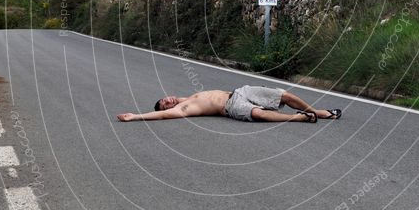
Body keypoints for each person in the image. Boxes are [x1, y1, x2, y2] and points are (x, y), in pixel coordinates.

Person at [117, 85, 342, 123]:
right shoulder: (182, 109)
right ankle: (299, 118)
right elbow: (162, 115)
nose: (168, 101)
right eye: (166, 104)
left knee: (285, 95)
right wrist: (136, 116)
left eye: (165, 98)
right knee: (259, 114)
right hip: (231, 106)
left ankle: (318, 112)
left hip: (240, 91)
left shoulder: (188, 97)